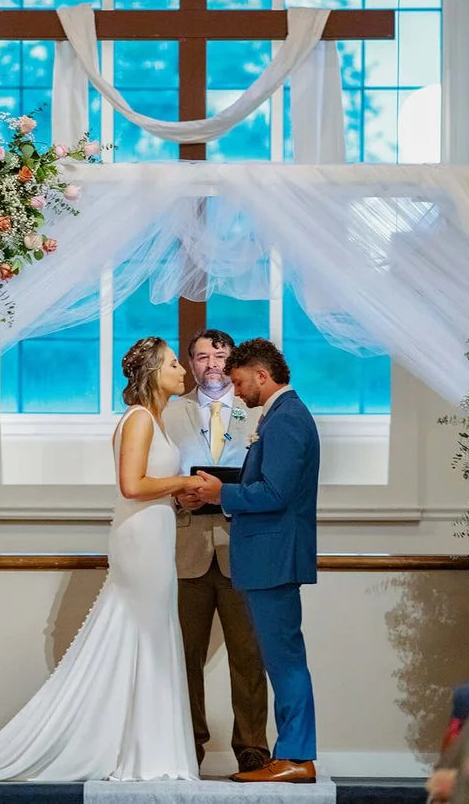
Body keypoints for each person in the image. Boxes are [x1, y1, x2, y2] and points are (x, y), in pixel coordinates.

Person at [0, 337, 200, 782]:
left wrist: (178, 496)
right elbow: (132, 486)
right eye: (175, 363)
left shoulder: (158, 421)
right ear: (154, 372)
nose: (183, 371)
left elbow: (149, 487)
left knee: (151, 636)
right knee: (142, 634)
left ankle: (145, 747)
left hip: (155, 535)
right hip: (140, 543)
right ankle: (136, 750)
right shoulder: (138, 420)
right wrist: (180, 482)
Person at [184, 338, 322, 784]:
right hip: (270, 555)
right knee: (281, 658)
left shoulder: (286, 420)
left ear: (262, 376)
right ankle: (293, 753)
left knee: (283, 660)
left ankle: (296, 756)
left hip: (273, 556)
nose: (236, 391)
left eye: (240, 381)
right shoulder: (283, 415)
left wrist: (218, 492)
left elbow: (275, 493)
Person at [159, 330, 274, 774]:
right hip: (186, 548)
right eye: (202, 356)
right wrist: (176, 495)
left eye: (219, 356)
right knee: (184, 654)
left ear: (232, 363)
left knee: (249, 655)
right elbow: (154, 475)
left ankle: (252, 748)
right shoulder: (170, 414)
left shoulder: (260, 413)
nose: (211, 364)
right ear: (190, 364)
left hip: (240, 546)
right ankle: (189, 744)